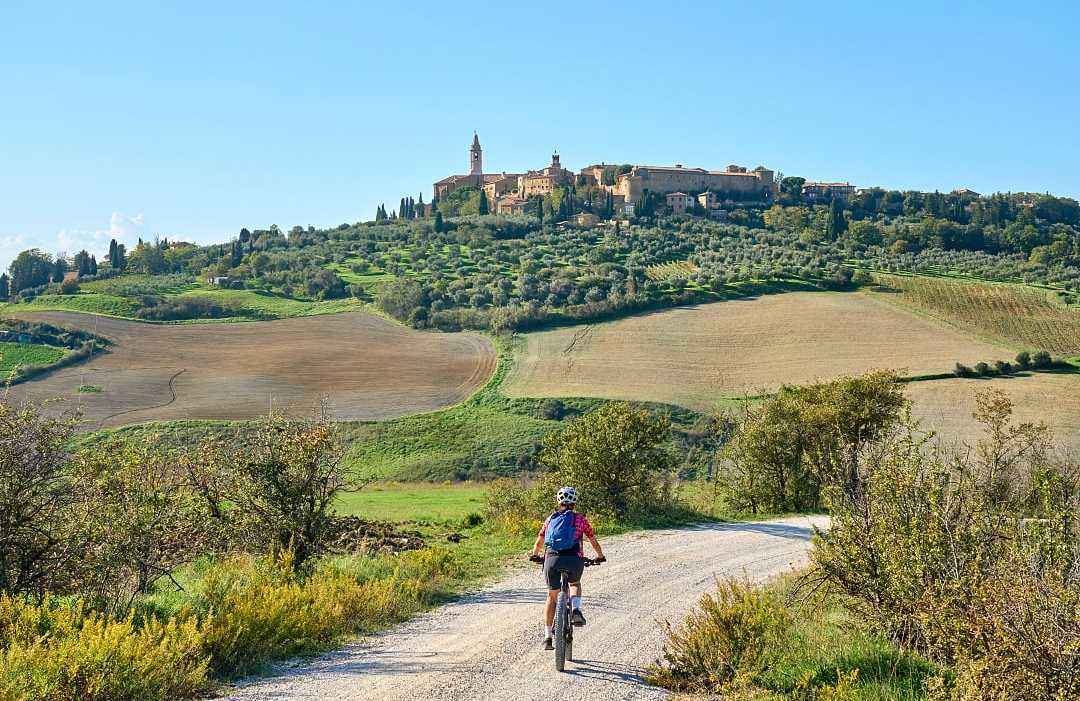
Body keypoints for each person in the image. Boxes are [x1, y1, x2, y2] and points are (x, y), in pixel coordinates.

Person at [529, 486, 606, 651]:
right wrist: (600, 556)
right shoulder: (580, 519)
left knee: (552, 596)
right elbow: (593, 540)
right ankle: (576, 609)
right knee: (575, 584)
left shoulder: (550, 519)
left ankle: (548, 637)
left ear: (559, 502)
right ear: (574, 502)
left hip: (552, 560)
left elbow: (540, 540)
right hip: (574, 559)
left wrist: (535, 555)